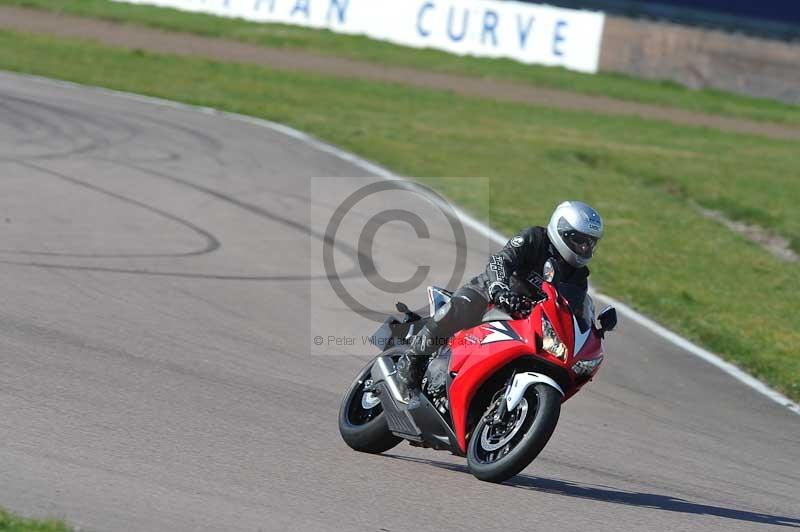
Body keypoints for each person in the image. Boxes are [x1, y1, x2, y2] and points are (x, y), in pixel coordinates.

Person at [395, 200, 604, 396]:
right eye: (579, 241)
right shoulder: (535, 238)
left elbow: (572, 309)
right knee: (459, 309)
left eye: (590, 243)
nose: (585, 248)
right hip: (492, 294)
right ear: (562, 232)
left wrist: (587, 330)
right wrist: (499, 287)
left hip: (529, 319)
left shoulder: (578, 276)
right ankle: (411, 359)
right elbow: (501, 260)